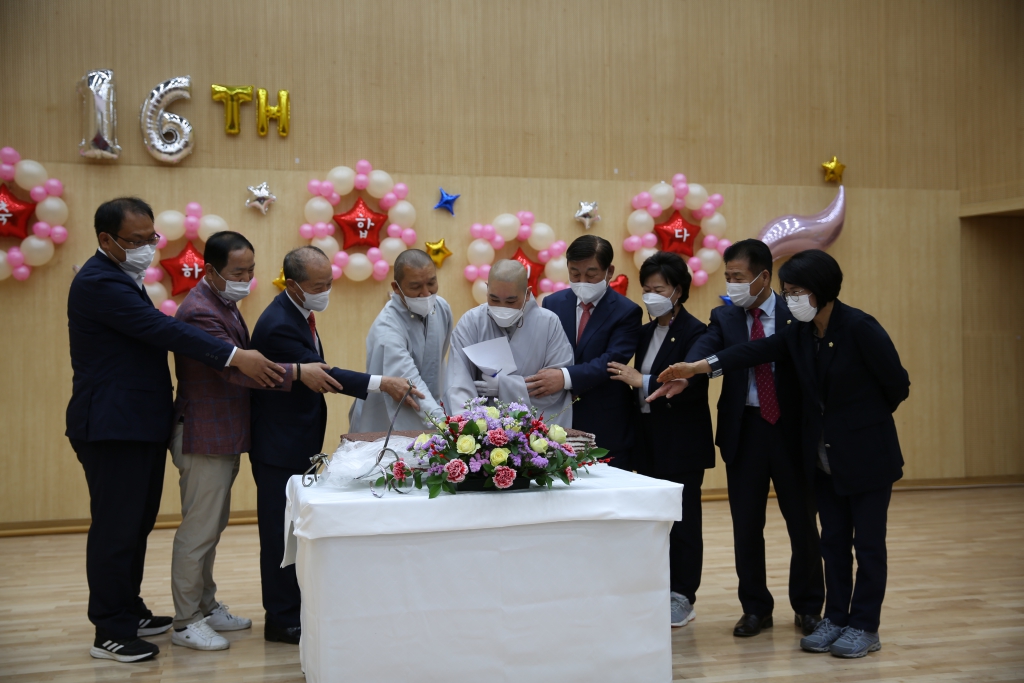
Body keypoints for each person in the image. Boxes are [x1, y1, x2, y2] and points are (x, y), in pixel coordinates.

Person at [654, 249, 910, 659]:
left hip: (864, 454)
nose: (790, 299)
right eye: (788, 292)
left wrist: (857, 424)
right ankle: (836, 618)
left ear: (821, 291)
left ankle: (864, 624)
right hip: (823, 456)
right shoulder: (802, 334)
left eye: (797, 291)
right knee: (834, 542)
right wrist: (696, 368)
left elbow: (897, 385)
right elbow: (753, 352)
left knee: (867, 546)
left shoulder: (860, 327)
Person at [67, 197, 285, 663]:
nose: (148, 247)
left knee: (137, 524)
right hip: (110, 425)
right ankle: (110, 627)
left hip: (140, 423)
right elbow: (159, 330)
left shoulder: (124, 277)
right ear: (106, 240)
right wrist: (232, 355)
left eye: (152, 239)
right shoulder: (98, 281)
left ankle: (130, 607)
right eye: (137, 240)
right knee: (116, 529)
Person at [168, 231, 343, 651]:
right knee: (199, 530)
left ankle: (206, 605)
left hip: (225, 432)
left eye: (250, 270)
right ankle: (186, 619)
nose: (247, 278)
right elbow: (238, 368)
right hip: (204, 432)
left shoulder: (221, 302)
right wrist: (299, 372)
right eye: (238, 271)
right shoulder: (198, 311)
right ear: (210, 270)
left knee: (213, 525)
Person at [248, 246, 422, 645]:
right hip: (278, 444)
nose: (326, 291)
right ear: (293, 285)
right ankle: (281, 618)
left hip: (294, 439)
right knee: (280, 533)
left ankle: (291, 609)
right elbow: (324, 375)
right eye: (318, 286)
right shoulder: (278, 323)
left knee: (292, 528)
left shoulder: (298, 312)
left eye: (329, 283)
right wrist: (384, 382)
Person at [684, 239, 824, 639]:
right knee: (746, 525)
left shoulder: (796, 313)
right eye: (727, 277)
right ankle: (755, 608)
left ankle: (809, 606)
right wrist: (688, 369)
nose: (732, 285)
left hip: (791, 431)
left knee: (802, 523)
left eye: (738, 277)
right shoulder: (724, 317)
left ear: (763, 277)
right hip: (744, 430)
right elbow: (706, 350)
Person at [606, 251, 714, 629]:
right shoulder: (644, 330)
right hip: (647, 437)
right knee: (654, 519)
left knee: (684, 520)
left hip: (681, 440)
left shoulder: (697, 331)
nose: (651, 296)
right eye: (646, 289)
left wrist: (644, 381)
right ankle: (659, 587)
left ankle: (684, 595)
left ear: (679, 291)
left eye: (659, 289)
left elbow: (691, 383)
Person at [530, 236, 642, 469]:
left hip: (605, 421)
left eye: (591, 275)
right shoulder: (553, 303)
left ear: (609, 271)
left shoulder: (627, 312)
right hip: (557, 417)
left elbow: (611, 362)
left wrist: (564, 378)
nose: (582, 281)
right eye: (574, 273)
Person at [445, 259, 574, 424]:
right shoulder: (471, 322)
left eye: (511, 301)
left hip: (534, 429)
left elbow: (553, 388)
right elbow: (458, 381)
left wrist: (503, 387)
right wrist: (471, 427)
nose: (502, 307)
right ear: (487, 289)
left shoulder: (549, 323)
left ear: (527, 294)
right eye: (494, 299)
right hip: (483, 427)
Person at [350, 249, 453, 432]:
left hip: (433, 409)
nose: (426, 293)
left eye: (431, 283)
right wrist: (444, 425)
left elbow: (439, 359)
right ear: (396, 287)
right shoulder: (388, 329)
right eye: (415, 287)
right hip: (387, 418)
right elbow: (409, 385)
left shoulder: (441, 307)